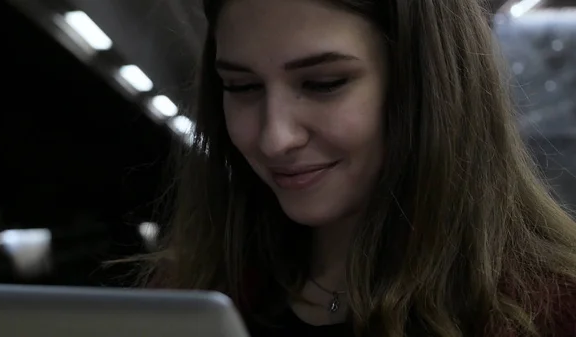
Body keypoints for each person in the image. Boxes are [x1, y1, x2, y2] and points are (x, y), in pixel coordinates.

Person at [140, 0, 576, 336]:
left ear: (426, 87)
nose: (275, 137)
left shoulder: (555, 310)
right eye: (242, 86)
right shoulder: (184, 293)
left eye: (324, 84)